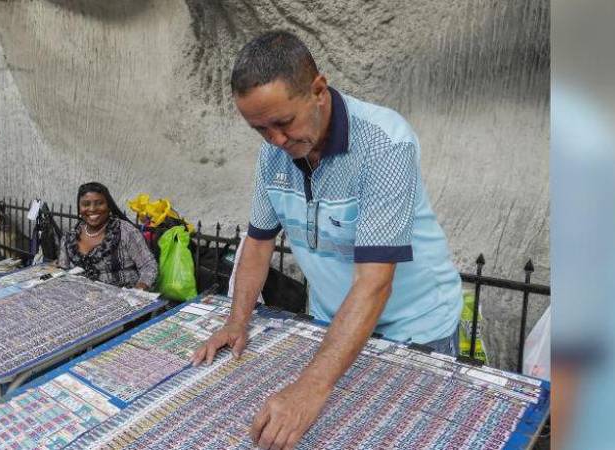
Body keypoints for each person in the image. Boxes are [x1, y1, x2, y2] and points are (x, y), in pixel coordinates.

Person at [189, 31, 463, 449]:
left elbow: (374, 282)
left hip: (415, 329)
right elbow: (258, 244)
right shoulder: (273, 157)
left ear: (318, 90)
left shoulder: (384, 142)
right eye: (260, 129)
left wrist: (310, 387)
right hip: (333, 324)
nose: (277, 140)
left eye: (283, 123)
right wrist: (236, 321)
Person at [57, 182, 156, 290]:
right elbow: (63, 270)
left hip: (123, 300)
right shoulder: (70, 237)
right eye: (86, 204)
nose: (92, 209)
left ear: (109, 206)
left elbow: (149, 266)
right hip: (82, 301)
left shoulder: (125, 232)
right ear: (79, 208)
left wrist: (137, 291)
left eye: (99, 203)